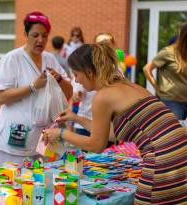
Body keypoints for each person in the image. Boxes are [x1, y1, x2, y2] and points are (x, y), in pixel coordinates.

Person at [43, 43, 187, 204]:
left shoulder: (103, 97)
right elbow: (112, 133)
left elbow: (96, 145)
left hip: (162, 160)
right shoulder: (128, 85)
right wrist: (76, 118)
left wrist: (62, 134)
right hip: (179, 156)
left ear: (89, 72)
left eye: (76, 74)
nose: (76, 80)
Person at [0, 11, 73, 166]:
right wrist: (32, 87)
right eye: (35, 35)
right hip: (14, 139)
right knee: (13, 185)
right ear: (25, 34)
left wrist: (60, 79)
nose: (40, 40)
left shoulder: (50, 59)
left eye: (45, 35)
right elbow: (1, 97)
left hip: (43, 141)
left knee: (40, 187)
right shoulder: (12, 59)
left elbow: (69, 93)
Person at [143, 23, 187, 120]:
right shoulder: (168, 52)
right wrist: (157, 88)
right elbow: (147, 69)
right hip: (172, 102)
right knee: (173, 132)